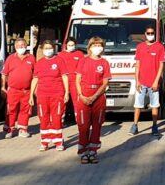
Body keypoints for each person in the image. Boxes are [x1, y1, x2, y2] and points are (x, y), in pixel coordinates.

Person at [76, 36, 111, 164]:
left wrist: (95, 96)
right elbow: (78, 80)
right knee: (84, 126)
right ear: (89, 47)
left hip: (98, 97)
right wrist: (81, 95)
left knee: (97, 126)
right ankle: (84, 152)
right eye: (95, 45)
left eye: (99, 45)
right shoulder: (83, 61)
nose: (97, 48)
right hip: (84, 96)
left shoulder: (104, 62)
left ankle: (92, 152)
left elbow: (105, 82)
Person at [31, 40, 69, 151]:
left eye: (50, 48)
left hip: (57, 94)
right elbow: (35, 79)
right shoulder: (39, 62)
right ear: (42, 50)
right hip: (42, 95)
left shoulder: (59, 60)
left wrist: (66, 92)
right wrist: (31, 96)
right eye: (46, 48)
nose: (48, 50)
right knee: (43, 118)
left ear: (54, 48)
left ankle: (58, 142)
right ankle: (45, 142)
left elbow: (64, 77)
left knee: (57, 117)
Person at [130, 26, 165, 136]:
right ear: (145, 33)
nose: (150, 34)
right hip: (142, 82)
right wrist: (137, 81)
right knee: (138, 105)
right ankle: (135, 126)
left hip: (154, 82)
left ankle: (154, 127)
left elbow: (161, 66)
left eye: (152, 33)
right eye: (148, 33)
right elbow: (137, 65)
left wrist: (156, 81)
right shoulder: (140, 47)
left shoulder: (160, 47)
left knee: (154, 105)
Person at [2, 38, 35, 138]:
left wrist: (34, 91)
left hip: (27, 90)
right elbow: (4, 74)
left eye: (23, 45)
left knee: (25, 110)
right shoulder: (10, 58)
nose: (21, 47)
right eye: (19, 45)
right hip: (13, 90)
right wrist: (3, 87)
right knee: (11, 110)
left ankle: (23, 129)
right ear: (15, 47)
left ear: (26, 46)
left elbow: (35, 76)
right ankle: (10, 129)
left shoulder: (31, 58)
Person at [58, 37, 85, 125]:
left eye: (72, 45)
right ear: (65, 45)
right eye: (69, 45)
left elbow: (82, 68)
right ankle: (60, 121)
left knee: (77, 102)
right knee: (62, 101)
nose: (71, 47)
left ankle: (79, 121)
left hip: (75, 81)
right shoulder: (61, 55)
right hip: (63, 81)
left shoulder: (79, 54)